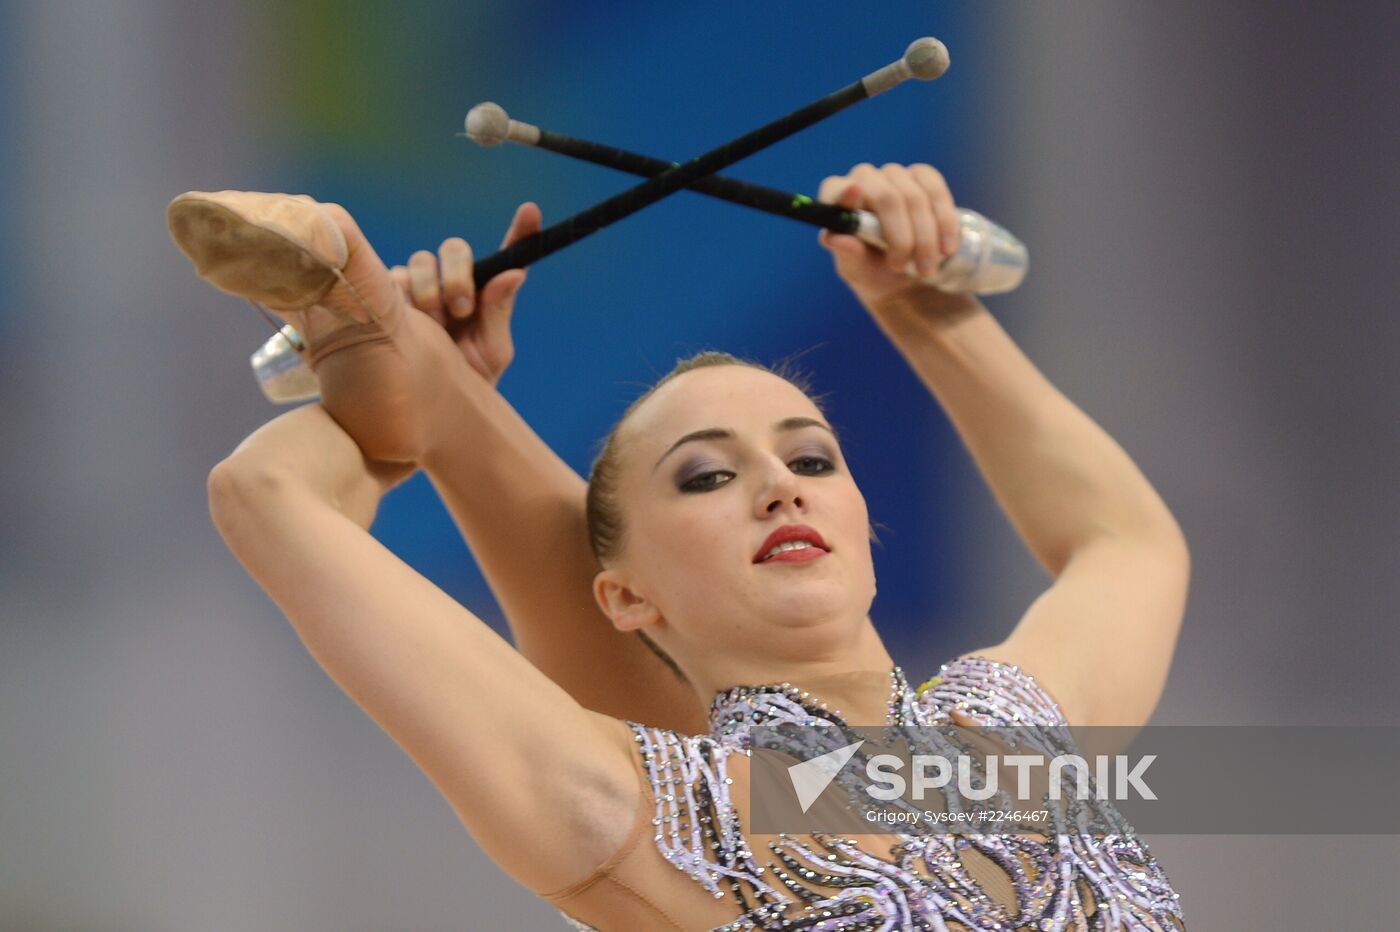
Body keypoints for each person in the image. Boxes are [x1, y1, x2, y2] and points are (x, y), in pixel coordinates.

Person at [171, 162, 1190, 929]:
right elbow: (262, 494)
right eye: (707, 475)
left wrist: (925, 308)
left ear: (863, 530)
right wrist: (377, 396)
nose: (778, 484)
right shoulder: (634, 811)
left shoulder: (1008, 735)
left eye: (813, 458)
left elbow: (1125, 541)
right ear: (621, 597)